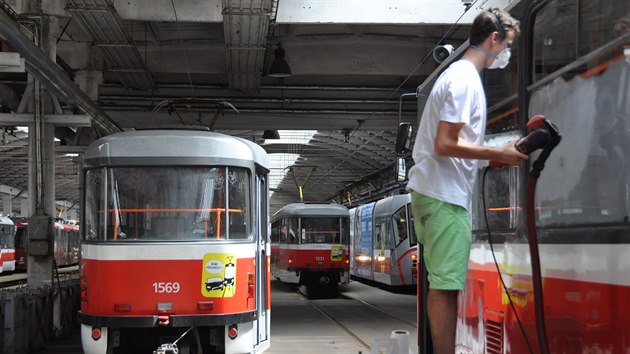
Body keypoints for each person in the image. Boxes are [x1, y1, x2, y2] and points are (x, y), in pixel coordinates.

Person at [406, 8, 527, 354]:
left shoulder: (457, 76)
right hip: (444, 197)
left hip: (434, 192)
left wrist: (488, 155)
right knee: (445, 286)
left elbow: (449, 143)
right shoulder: (464, 80)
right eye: (507, 45)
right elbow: (445, 143)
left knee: (442, 283)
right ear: (494, 39)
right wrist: (499, 155)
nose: (505, 54)